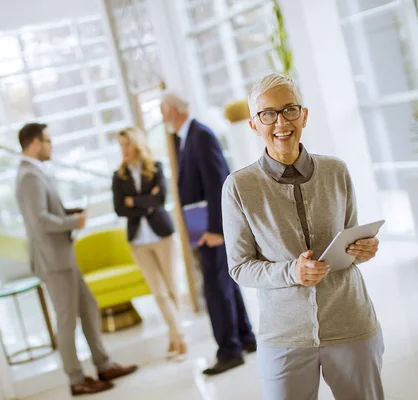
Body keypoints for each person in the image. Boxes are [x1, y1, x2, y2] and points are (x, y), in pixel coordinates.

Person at [221, 73, 383, 400]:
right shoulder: (238, 187)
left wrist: (363, 249)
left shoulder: (336, 171)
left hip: (351, 322)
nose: (280, 121)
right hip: (284, 336)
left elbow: (350, 239)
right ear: (254, 124)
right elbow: (239, 267)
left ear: (304, 116)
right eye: (268, 114)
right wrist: (291, 272)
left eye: (289, 109)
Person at [15, 123, 137, 396]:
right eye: (47, 140)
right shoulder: (29, 176)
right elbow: (39, 221)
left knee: (88, 307)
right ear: (35, 143)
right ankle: (76, 380)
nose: (51, 145)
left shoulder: (34, 173)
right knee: (67, 320)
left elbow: (45, 212)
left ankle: (103, 365)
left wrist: (67, 211)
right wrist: (74, 220)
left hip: (63, 257)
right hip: (53, 261)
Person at [160, 92, 256, 375]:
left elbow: (218, 184)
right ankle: (245, 337)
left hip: (212, 228)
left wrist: (217, 230)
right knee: (223, 282)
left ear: (173, 111)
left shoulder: (200, 135)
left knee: (215, 287)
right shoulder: (187, 137)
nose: (162, 117)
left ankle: (229, 350)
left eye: (162, 111)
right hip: (202, 225)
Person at [111, 127, 187, 360]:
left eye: (126, 144)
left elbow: (160, 198)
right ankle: (179, 337)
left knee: (172, 288)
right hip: (138, 241)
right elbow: (119, 208)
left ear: (137, 144)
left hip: (162, 236)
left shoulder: (155, 168)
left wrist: (133, 201)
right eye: (121, 145)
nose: (123, 150)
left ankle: (175, 337)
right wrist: (146, 201)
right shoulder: (118, 175)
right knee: (159, 293)